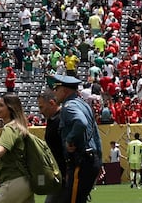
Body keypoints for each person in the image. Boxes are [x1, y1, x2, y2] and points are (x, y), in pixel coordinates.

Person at [50, 74, 101, 203]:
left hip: (81, 161)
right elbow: (96, 136)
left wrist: (69, 139)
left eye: (57, 89)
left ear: (65, 91)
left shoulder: (69, 106)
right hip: (91, 160)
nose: (54, 92)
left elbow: (81, 122)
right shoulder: (83, 104)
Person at [35, 89, 63, 203]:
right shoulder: (52, 120)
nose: (40, 111)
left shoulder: (62, 119)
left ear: (52, 103)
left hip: (65, 176)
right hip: (58, 176)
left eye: (42, 107)